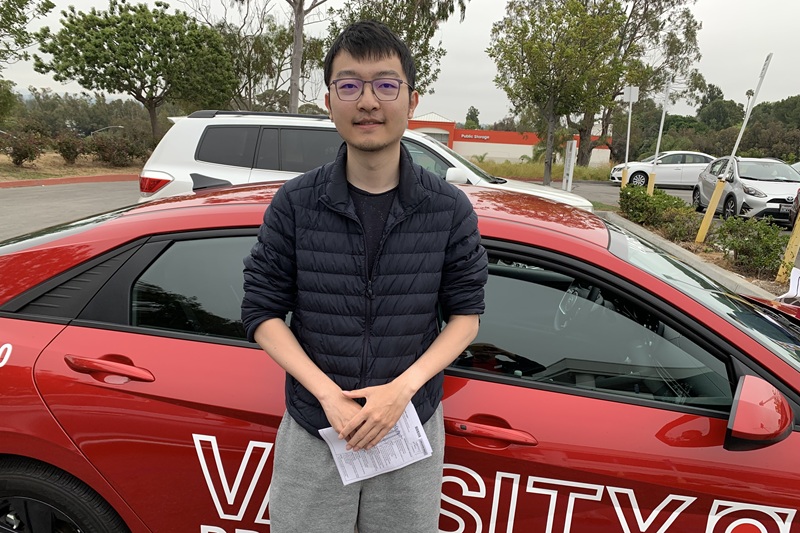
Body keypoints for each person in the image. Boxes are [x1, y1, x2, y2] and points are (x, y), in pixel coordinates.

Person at [241, 20, 488, 533]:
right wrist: (327, 394)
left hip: (409, 427)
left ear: (411, 100)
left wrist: (402, 390)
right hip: (315, 428)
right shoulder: (295, 203)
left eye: (385, 84)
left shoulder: (447, 208)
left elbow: (466, 316)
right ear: (330, 102)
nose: (368, 101)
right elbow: (261, 312)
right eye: (349, 85)